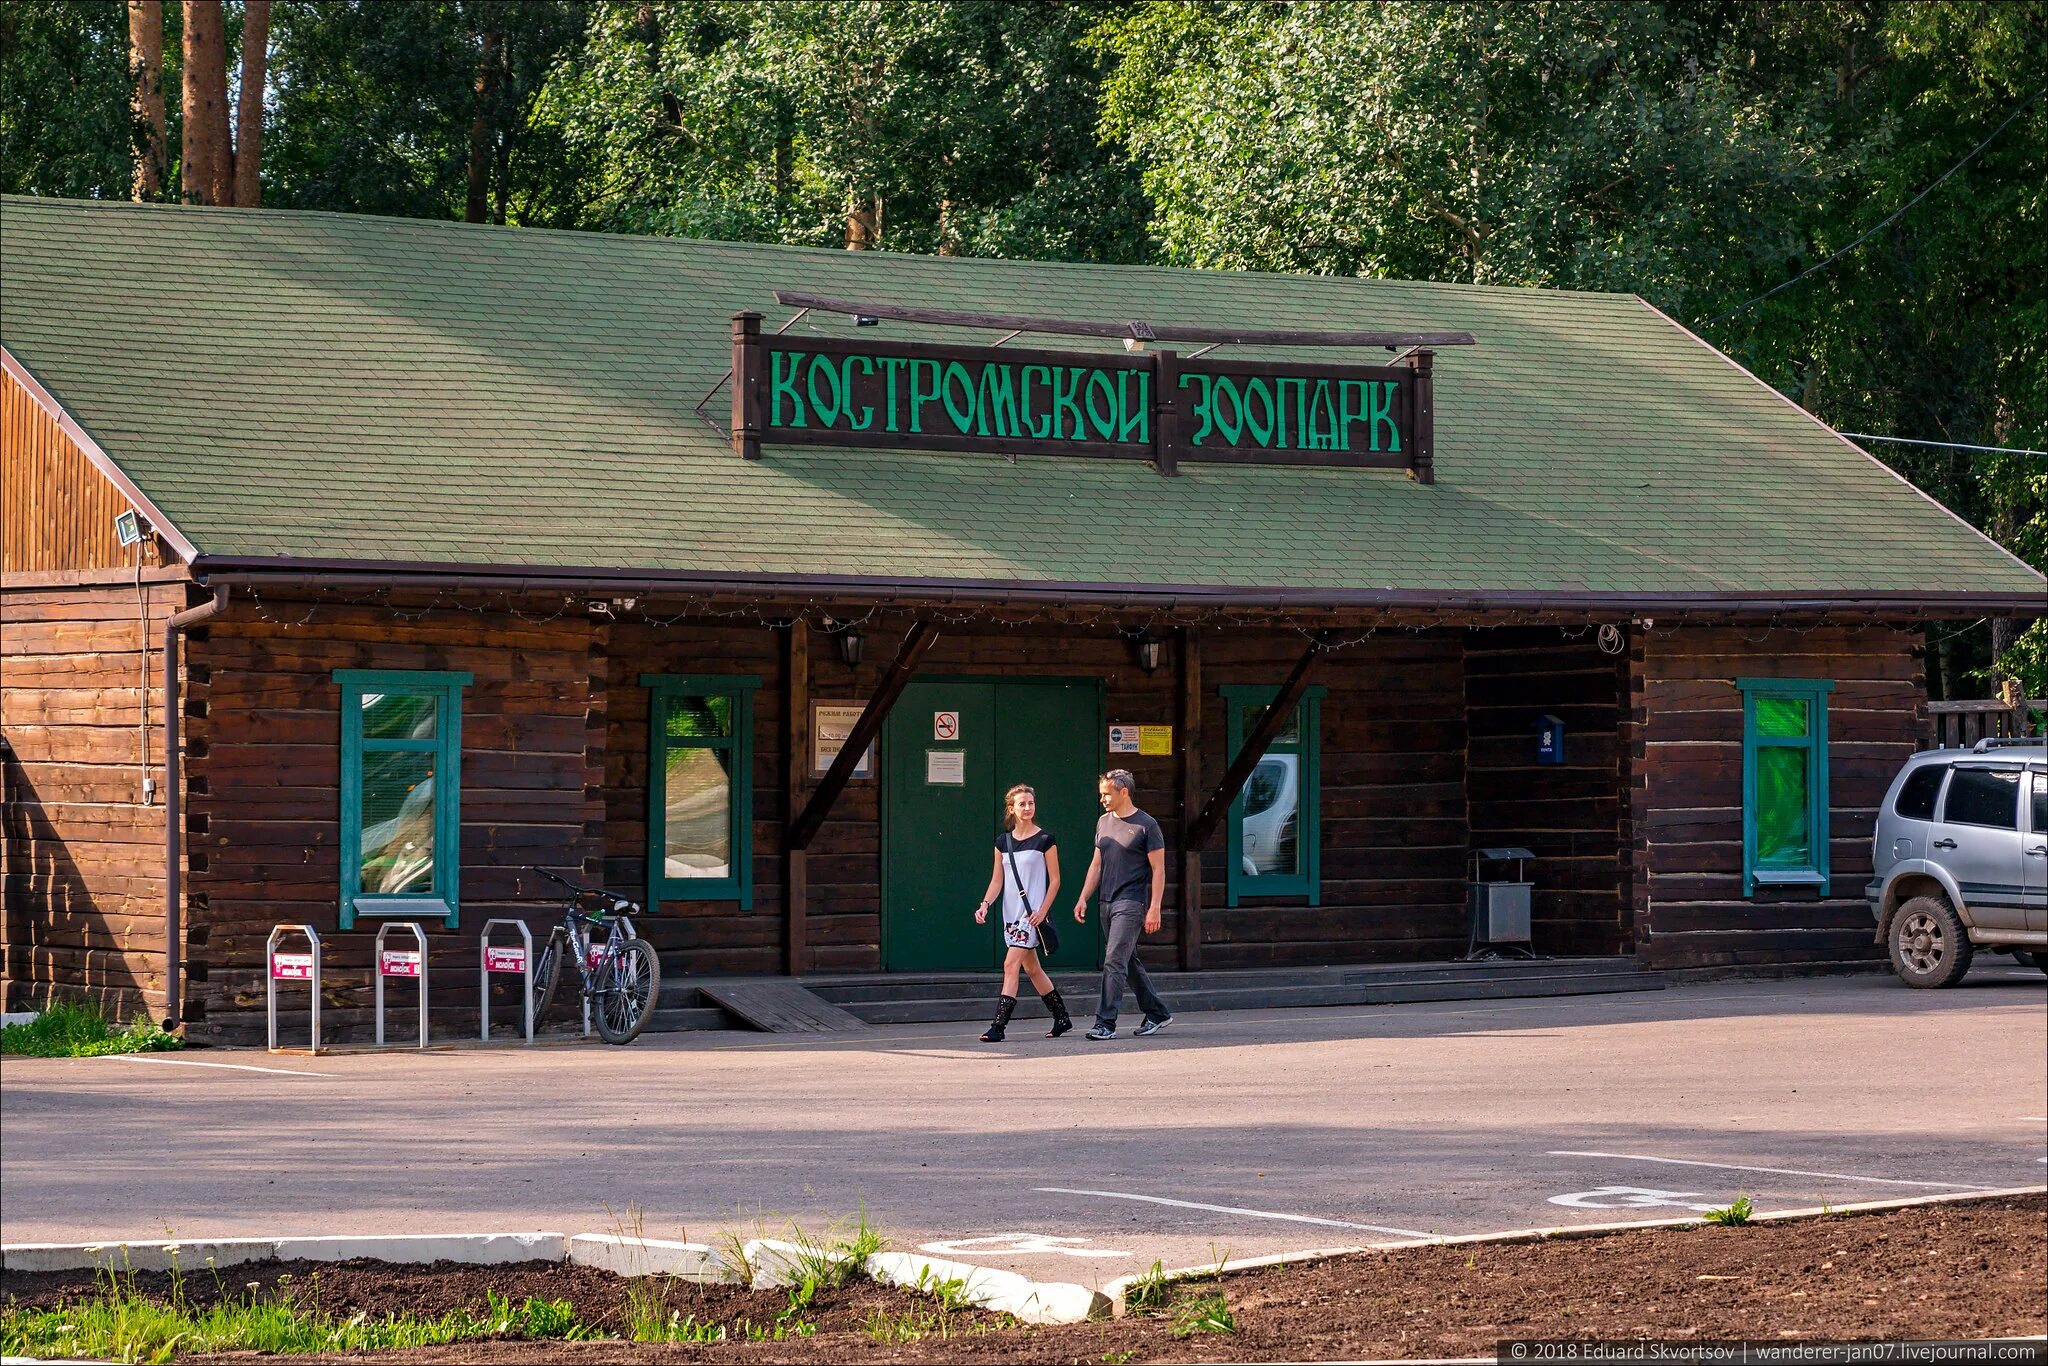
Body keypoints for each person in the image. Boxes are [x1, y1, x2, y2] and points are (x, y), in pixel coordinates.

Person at [1071, 769, 1173, 1040]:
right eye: (1101, 793)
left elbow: (1159, 870)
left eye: (1107, 794)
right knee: (1127, 961)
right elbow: (1097, 863)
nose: (1102, 798)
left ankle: (1105, 1022)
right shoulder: (1103, 822)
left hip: (1131, 902)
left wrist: (1154, 907)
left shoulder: (1146, 825)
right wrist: (1083, 896)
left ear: (1124, 792)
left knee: (1113, 960)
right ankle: (1157, 1012)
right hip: (1107, 901)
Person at [972, 783, 1073, 1042]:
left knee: (1010, 964)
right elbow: (997, 881)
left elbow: (1056, 880)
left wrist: (1043, 911)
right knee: (1034, 970)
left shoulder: (1045, 840)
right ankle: (1062, 1018)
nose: (1028, 807)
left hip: (1032, 917)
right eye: (1022, 804)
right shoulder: (1002, 842)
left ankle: (998, 1027)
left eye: (1031, 803)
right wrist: (985, 904)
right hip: (1011, 914)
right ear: (1012, 808)